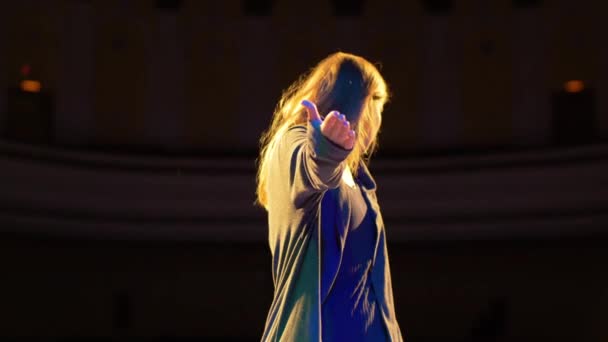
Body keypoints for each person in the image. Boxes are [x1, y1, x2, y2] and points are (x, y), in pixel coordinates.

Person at [255, 51, 404, 341]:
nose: (377, 126)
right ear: (362, 105)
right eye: (378, 111)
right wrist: (326, 151)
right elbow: (309, 168)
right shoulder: (295, 141)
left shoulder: (360, 181)